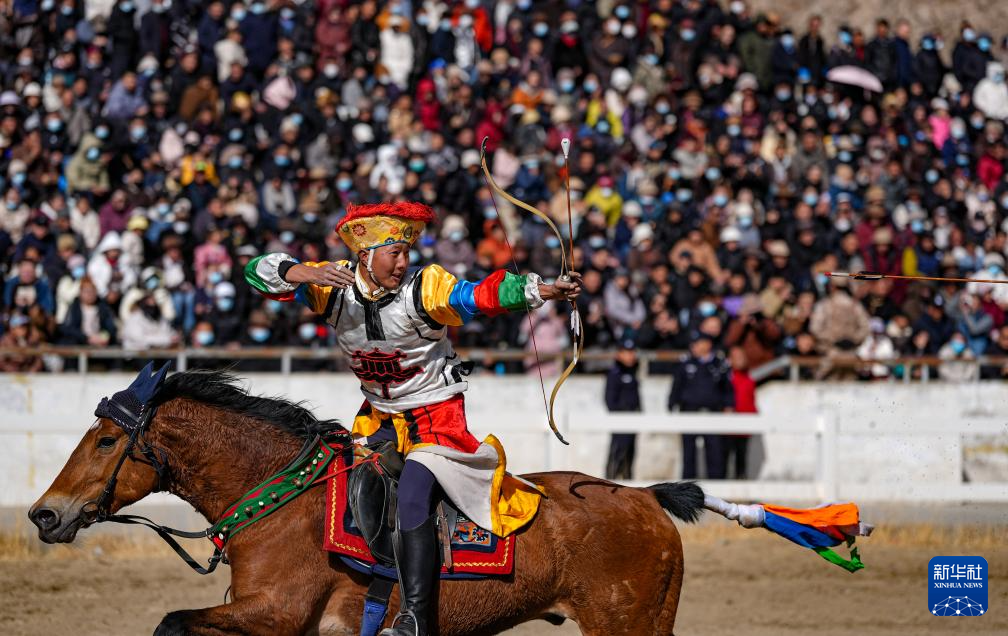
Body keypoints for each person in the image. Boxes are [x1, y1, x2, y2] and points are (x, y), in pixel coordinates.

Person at [244, 201, 581, 636]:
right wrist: (302, 273)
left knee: (414, 494)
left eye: (406, 253)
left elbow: (478, 295)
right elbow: (256, 270)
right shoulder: (331, 286)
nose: (403, 262)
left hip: (437, 422)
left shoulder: (425, 288)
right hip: (376, 422)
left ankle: (416, 621)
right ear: (364, 256)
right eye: (394, 253)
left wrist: (541, 291)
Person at [668, 333, 735, 479]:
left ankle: (718, 489)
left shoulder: (719, 364)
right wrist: (672, 404)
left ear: (707, 344)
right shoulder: (685, 363)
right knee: (688, 453)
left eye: (697, 343)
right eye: (693, 343)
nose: (694, 347)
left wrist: (729, 406)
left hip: (713, 413)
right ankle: (687, 491)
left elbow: (727, 389)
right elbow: (676, 386)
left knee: (715, 452)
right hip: (689, 411)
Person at [604, 339, 642, 480]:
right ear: (619, 354)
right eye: (626, 352)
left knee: (629, 455)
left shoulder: (633, 373)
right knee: (617, 453)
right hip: (620, 421)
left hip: (633, 421)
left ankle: (627, 483)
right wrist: (620, 416)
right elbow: (610, 400)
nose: (630, 356)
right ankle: (610, 483)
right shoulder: (615, 374)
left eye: (632, 352)